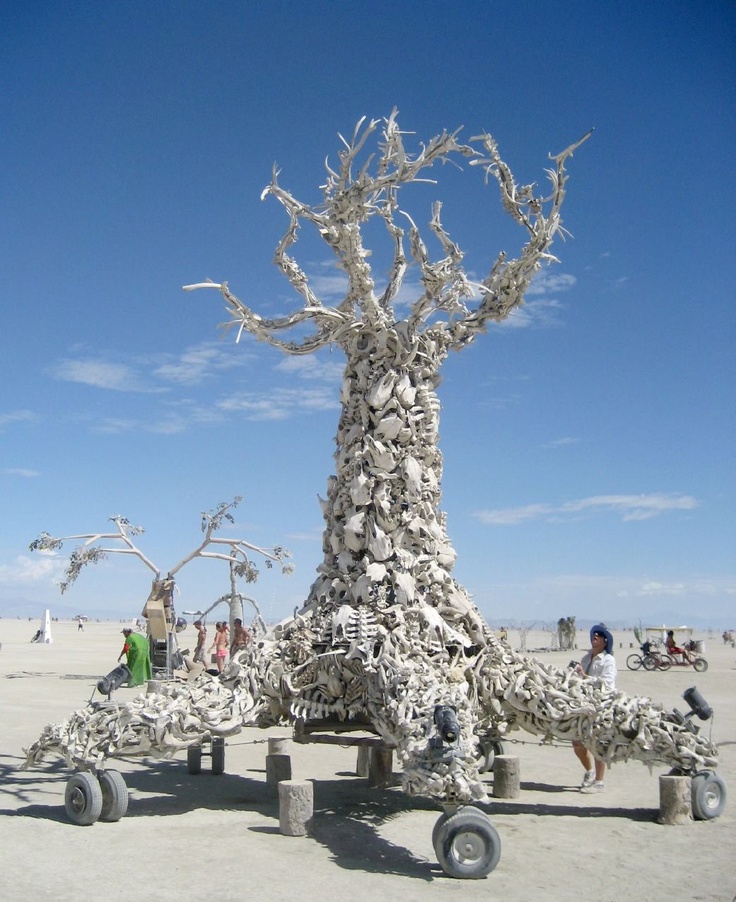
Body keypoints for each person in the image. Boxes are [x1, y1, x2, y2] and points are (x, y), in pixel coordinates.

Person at [572, 623, 617, 794]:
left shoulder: (608, 660)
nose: (595, 637)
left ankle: (599, 781)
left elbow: (607, 684)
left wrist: (586, 677)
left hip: (602, 706)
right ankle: (589, 772)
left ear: (605, 641)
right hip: (584, 704)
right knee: (577, 742)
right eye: (594, 634)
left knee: (599, 743)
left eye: (599, 635)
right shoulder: (586, 657)